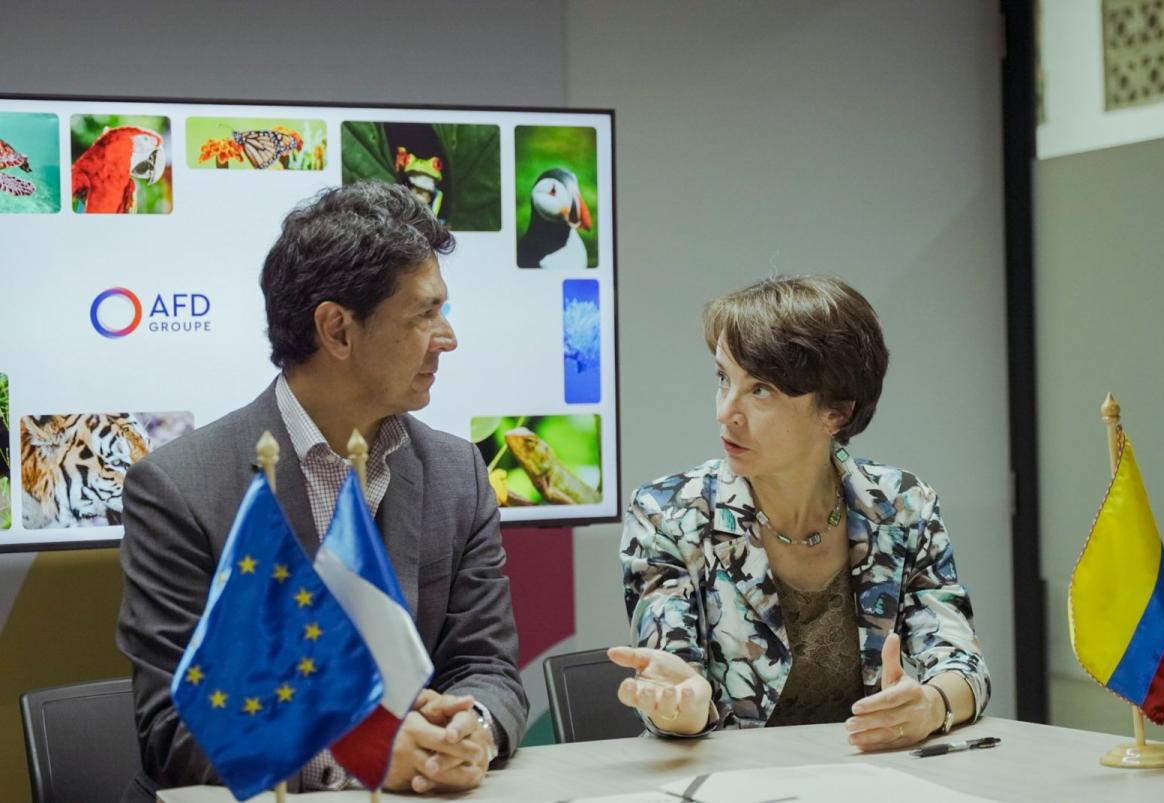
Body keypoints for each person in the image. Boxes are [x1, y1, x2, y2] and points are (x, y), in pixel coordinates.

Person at [116, 182, 528, 801]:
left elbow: (488, 667)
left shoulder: (456, 471)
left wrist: (473, 729)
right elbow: (174, 732)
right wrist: (357, 756)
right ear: (337, 330)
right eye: (424, 313)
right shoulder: (180, 489)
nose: (447, 338)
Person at [609, 275, 989, 749]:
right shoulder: (669, 515)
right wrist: (683, 708)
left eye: (761, 390)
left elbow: (961, 663)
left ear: (836, 413)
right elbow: (676, 683)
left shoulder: (902, 506)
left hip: (868, 780)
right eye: (724, 378)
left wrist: (931, 704)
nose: (726, 412)